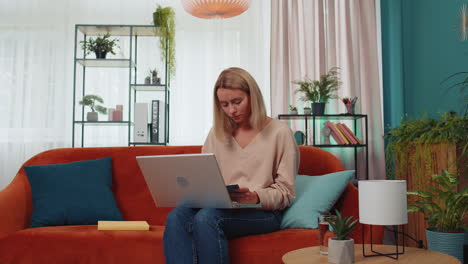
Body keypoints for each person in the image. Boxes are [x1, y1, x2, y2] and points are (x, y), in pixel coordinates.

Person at [163, 67, 299, 264]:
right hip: (221, 207)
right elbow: (203, 179)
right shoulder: (217, 133)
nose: (231, 111)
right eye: (224, 105)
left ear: (253, 96)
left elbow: (286, 193)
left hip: (263, 212)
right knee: (176, 216)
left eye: (237, 102)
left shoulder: (280, 133)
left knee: (207, 219)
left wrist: (256, 197)